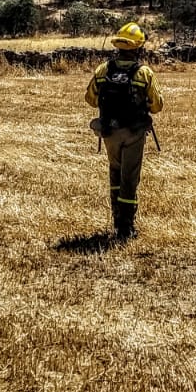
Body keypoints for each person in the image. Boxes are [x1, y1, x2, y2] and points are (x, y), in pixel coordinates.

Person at [84, 22, 164, 240]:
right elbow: (157, 106)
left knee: (115, 174)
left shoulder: (103, 70)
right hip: (134, 132)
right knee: (129, 179)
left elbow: (90, 99)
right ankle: (126, 228)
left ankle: (116, 219)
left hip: (109, 132)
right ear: (138, 48)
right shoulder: (144, 73)